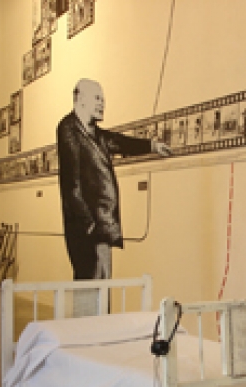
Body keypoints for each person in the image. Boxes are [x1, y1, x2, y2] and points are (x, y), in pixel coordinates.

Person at [57, 78, 171, 281]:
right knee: (89, 284)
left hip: (102, 225)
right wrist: (89, 224)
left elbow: (119, 142)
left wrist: (152, 146)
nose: (102, 104)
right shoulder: (68, 128)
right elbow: (71, 185)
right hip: (87, 229)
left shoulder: (96, 134)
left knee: (103, 284)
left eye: (103, 99)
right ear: (81, 99)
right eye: (97, 98)